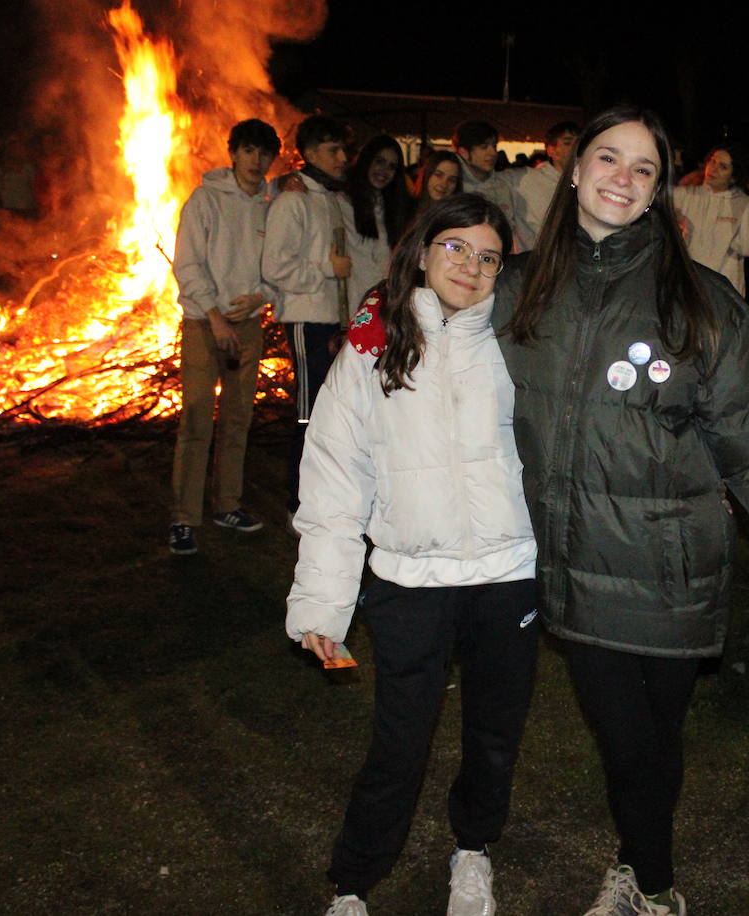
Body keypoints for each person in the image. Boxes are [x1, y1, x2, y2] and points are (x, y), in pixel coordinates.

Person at [495, 106, 749, 916]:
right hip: (575, 554)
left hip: (674, 560)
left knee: (655, 734)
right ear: (573, 169)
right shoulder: (520, 285)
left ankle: (635, 863)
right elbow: (435, 344)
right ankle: (654, 884)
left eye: (643, 168)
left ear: (657, 189)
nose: (622, 178)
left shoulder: (699, 300)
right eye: (608, 158)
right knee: (626, 736)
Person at [287, 194, 537, 916]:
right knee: (399, 747)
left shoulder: (518, 344)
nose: (471, 266)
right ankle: (353, 884)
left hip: (507, 577)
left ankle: (473, 852)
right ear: (423, 251)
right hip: (410, 580)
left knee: (494, 738)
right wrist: (324, 601)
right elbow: (335, 478)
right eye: (456, 247)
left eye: (489, 256)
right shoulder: (373, 345)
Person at [168, 118, 280, 555]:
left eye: (265, 153)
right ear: (233, 153)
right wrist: (214, 317)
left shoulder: (271, 205)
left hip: (248, 324)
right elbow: (188, 264)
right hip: (203, 324)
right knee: (197, 420)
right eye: (249, 151)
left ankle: (227, 504)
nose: (257, 161)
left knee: (238, 419)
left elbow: (278, 263)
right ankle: (183, 519)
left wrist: (263, 297)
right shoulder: (205, 200)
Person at [263, 114, 353, 525]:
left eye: (343, 149)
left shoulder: (334, 198)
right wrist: (323, 268)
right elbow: (275, 266)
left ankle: (324, 493)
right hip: (306, 320)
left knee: (332, 412)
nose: (342, 157)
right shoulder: (293, 201)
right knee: (307, 411)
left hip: (335, 320)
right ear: (310, 153)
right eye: (332, 149)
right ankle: (296, 502)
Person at [672, 144, 749, 297]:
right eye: (712, 161)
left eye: (723, 166)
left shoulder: (742, 203)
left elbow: (748, 247)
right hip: (688, 290)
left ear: (734, 175)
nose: (714, 168)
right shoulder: (683, 196)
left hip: (724, 294)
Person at [340, 134, 412, 316]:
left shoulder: (395, 209)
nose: (384, 171)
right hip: (348, 309)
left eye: (392, 167)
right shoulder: (341, 202)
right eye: (379, 161)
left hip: (380, 310)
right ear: (366, 160)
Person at [452, 120, 529, 251]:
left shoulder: (502, 185)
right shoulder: (453, 185)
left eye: (494, 146)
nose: (492, 152)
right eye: (484, 147)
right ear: (464, 152)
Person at [517, 120, 579, 244]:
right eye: (568, 143)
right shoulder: (532, 181)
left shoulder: (586, 182)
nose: (575, 148)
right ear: (551, 151)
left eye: (578, 143)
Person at [412, 149, 463, 220]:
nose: (444, 184)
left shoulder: (456, 219)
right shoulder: (407, 209)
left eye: (452, 180)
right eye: (438, 175)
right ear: (427, 174)